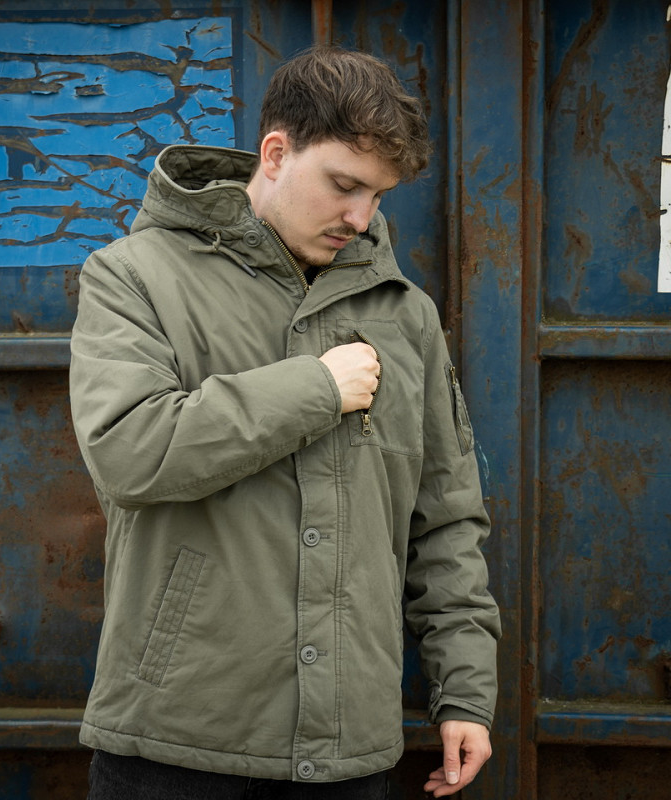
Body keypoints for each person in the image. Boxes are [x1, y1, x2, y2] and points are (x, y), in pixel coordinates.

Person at [69, 45, 501, 799]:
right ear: (275, 153)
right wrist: (316, 388)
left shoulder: (406, 315)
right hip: (175, 744)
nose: (360, 218)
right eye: (344, 185)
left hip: (347, 752)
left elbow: (445, 520)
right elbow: (130, 451)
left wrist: (464, 691)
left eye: (378, 196)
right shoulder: (134, 274)